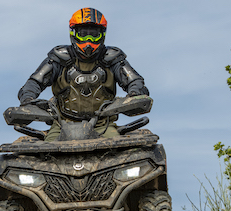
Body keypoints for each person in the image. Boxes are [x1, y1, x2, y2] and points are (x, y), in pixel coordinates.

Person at [17, 8, 149, 141]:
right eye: (83, 33)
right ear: (73, 33)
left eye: (93, 34)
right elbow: (34, 83)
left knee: (122, 149)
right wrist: (28, 99)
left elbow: (134, 81)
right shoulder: (58, 58)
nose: (88, 39)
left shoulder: (113, 58)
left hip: (103, 125)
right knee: (45, 152)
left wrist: (135, 94)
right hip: (61, 126)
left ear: (102, 34)